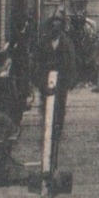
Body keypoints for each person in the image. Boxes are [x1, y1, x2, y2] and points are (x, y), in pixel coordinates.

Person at [36, 13, 77, 172]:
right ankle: (47, 129)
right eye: (53, 25)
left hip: (60, 84)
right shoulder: (43, 44)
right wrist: (41, 84)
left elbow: (72, 63)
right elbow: (37, 64)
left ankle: (57, 131)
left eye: (58, 26)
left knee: (59, 109)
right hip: (46, 83)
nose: (55, 28)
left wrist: (68, 82)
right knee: (45, 108)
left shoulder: (67, 44)